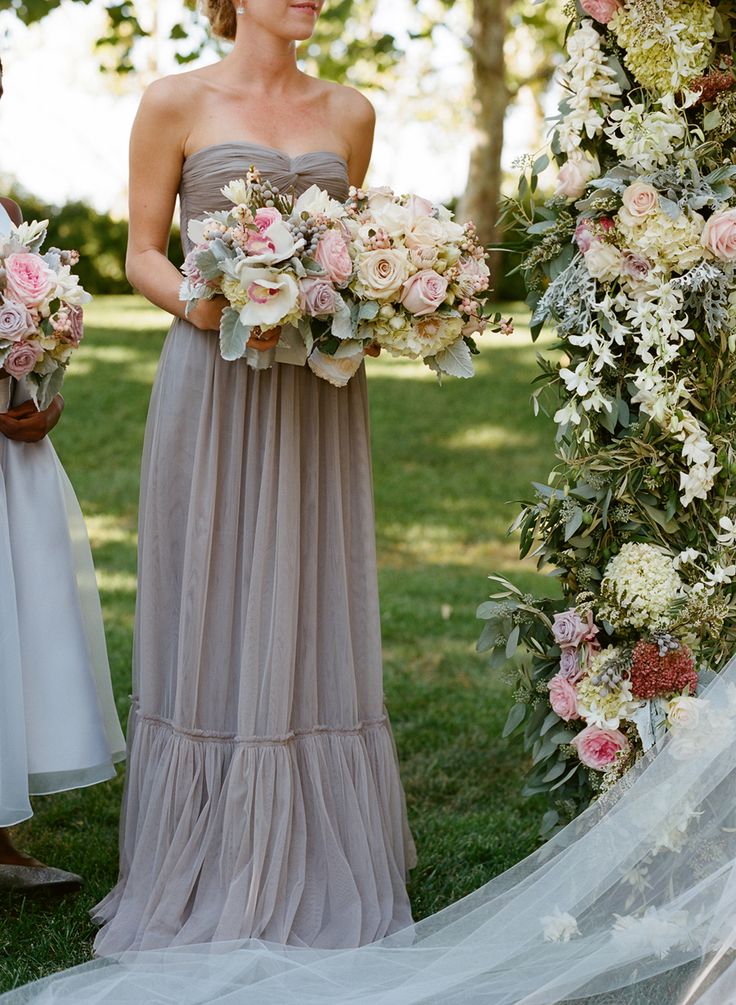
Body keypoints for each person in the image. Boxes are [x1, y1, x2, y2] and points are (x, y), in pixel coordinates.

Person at [91, 0, 415, 955]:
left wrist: (374, 296)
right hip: (217, 377)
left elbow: (344, 258)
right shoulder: (174, 102)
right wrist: (208, 303)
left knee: (309, 590)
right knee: (216, 588)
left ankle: (315, 841)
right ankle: (209, 848)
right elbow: (140, 252)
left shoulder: (351, 112)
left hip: (316, 392)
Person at [0, 56, 126, 892]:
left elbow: (33, 331)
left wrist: (44, 390)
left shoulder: (4, 214)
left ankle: (3, 840)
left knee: (11, 627)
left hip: (11, 458)